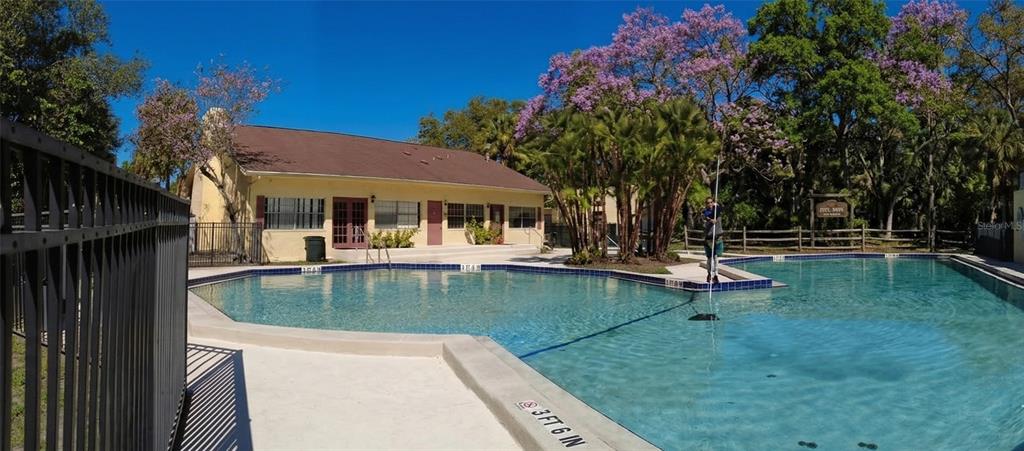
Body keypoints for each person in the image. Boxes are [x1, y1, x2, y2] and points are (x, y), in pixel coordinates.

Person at [703, 197, 724, 284]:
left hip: (718, 238)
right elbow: (706, 217)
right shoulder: (705, 212)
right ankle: (709, 274)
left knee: (716, 258)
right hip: (709, 239)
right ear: (706, 204)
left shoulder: (717, 211)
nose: (710, 204)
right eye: (708, 203)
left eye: (711, 202)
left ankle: (716, 275)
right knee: (709, 258)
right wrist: (711, 220)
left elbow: (721, 207)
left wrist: (717, 203)